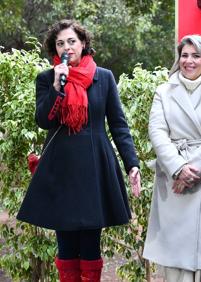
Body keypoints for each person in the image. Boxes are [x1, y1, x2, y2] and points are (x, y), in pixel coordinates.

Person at [17, 19, 141, 281]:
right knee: (66, 245)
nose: (67, 47)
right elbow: (43, 121)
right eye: (61, 43)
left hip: (95, 166)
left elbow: (118, 124)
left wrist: (132, 164)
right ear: (55, 48)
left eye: (72, 41)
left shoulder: (103, 77)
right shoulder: (46, 79)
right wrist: (56, 88)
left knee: (90, 244)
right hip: (61, 168)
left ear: (83, 43)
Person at [143, 34, 201, 282]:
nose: (189, 61)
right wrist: (177, 168)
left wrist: (191, 172)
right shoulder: (163, 91)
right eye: (184, 55)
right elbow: (157, 131)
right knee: (174, 255)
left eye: (196, 55)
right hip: (173, 178)